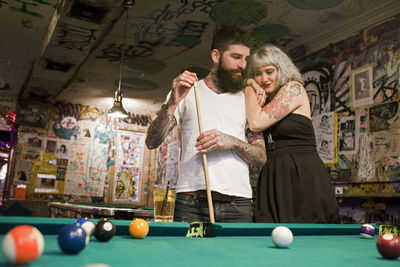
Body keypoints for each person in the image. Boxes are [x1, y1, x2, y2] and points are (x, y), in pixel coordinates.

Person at [145, 26, 266, 223]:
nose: (243, 65)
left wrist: (233, 142)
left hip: (239, 205)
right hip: (191, 203)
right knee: (190, 255)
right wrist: (171, 104)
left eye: (246, 59)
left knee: (239, 256)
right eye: (236, 57)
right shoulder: (188, 92)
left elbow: (261, 158)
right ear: (216, 55)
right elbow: (152, 141)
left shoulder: (248, 98)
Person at [244, 44, 340, 223]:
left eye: (269, 71)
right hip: (273, 175)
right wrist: (250, 83)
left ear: (281, 70)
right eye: (257, 74)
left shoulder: (293, 89)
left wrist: (250, 86)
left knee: (312, 237)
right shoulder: (263, 100)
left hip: (303, 174)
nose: (264, 78)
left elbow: (256, 123)